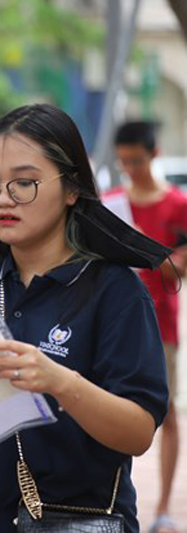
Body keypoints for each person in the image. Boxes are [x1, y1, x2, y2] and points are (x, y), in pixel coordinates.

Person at [0, 104, 169, 532]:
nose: (3, 198)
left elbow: (138, 432)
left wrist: (58, 381)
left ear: (71, 189)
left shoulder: (114, 290)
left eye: (24, 183)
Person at [106, 121, 187, 533]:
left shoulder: (177, 206)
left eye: (136, 160)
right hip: (110, 323)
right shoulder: (110, 202)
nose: (130, 169)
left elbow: (177, 274)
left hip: (160, 324)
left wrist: (144, 250)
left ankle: (163, 510)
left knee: (166, 415)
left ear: (154, 155)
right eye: (123, 163)